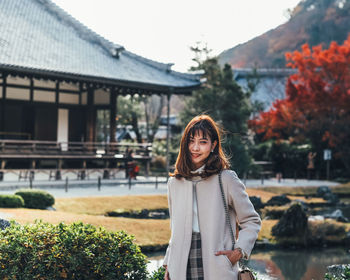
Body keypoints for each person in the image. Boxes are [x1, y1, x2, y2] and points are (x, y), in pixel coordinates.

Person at [163, 115, 261, 280]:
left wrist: (238, 252)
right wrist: (168, 264)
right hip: (180, 265)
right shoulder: (174, 183)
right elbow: (175, 230)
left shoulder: (226, 178)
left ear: (213, 145)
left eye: (203, 142)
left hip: (217, 266)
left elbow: (251, 220)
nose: (195, 148)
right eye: (191, 141)